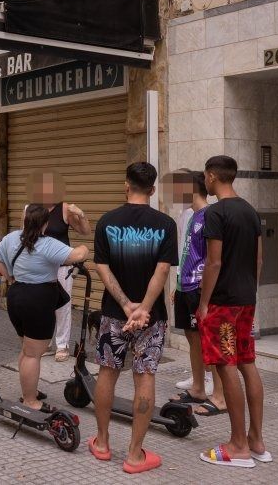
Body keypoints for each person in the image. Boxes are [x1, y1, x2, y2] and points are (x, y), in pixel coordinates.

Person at [88, 162, 178, 474]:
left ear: (127, 185)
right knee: (145, 376)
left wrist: (127, 306)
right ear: (152, 190)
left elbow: (102, 267)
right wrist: (144, 309)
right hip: (151, 319)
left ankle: (101, 442)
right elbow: (163, 270)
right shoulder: (165, 224)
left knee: (107, 373)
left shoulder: (107, 221)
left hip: (115, 314)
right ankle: (135, 455)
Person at [197, 155, 268, 468]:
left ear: (212, 176)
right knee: (247, 363)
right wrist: (248, 289)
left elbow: (214, 262)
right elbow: (259, 261)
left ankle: (238, 445)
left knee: (226, 366)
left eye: (205, 176)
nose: (205, 181)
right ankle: (256, 439)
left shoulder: (216, 212)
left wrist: (202, 303)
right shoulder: (250, 210)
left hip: (223, 303)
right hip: (246, 299)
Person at [0, 204, 89, 411]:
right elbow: (78, 256)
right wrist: (85, 248)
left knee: (27, 349)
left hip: (16, 297)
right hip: (39, 299)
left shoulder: (11, 238)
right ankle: (30, 400)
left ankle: (29, 391)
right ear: (46, 223)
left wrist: (9, 276)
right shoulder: (48, 244)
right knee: (32, 354)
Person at [168, 170, 227, 416]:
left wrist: (206, 287)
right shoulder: (189, 216)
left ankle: (220, 396)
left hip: (201, 289)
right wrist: (178, 283)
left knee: (209, 340)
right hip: (186, 286)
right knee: (192, 338)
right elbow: (186, 253)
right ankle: (198, 388)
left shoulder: (210, 215)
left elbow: (215, 258)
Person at [24, 169, 90, 362]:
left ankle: (62, 345)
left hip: (62, 265)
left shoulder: (65, 208)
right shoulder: (30, 208)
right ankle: (45, 343)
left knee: (62, 305)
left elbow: (84, 231)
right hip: (38, 264)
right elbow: (24, 235)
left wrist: (81, 214)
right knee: (42, 306)